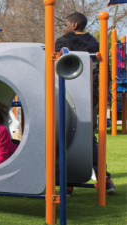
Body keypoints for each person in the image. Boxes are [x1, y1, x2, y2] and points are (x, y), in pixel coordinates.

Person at [55, 12, 116, 195]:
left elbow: (55, 65)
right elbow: (105, 70)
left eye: (65, 24)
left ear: (74, 25)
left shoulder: (63, 41)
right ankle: (104, 179)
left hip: (67, 96)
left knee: (63, 135)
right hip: (90, 96)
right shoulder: (95, 44)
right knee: (89, 137)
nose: (64, 27)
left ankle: (67, 181)